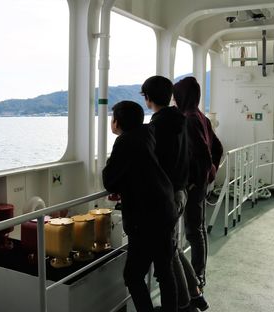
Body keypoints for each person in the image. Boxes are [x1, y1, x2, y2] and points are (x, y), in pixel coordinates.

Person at [102, 100, 178, 312]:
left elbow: (109, 181)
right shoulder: (147, 134)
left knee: (133, 275)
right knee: (164, 270)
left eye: (112, 119)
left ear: (117, 122)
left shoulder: (125, 141)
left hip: (146, 218)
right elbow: (139, 168)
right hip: (164, 208)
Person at [141, 76, 208, 312]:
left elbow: (154, 164)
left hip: (165, 195)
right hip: (181, 190)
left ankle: (183, 303)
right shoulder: (180, 120)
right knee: (174, 247)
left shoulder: (156, 127)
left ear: (147, 98)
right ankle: (195, 293)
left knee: (168, 253)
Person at [173, 77, 223, 290]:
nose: (174, 100)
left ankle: (196, 278)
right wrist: (211, 172)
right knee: (198, 229)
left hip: (194, 185)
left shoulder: (189, 119)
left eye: (176, 96)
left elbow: (202, 152)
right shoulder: (201, 117)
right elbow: (217, 148)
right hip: (200, 184)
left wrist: (197, 180)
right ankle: (198, 275)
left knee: (194, 231)